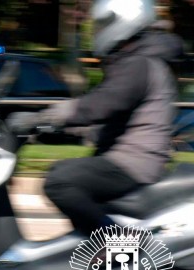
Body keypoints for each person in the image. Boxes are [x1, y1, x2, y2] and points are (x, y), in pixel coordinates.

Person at [10, 0, 184, 234]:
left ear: (124, 20)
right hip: (130, 157)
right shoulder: (137, 59)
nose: (97, 31)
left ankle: (117, 242)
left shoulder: (139, 63)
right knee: (61, 171)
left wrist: (42, 117)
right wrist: (52, 129)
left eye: (102, 24)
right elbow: (112, 118)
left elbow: (99, 106)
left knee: (61, 182)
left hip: (134, 162)